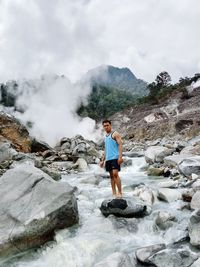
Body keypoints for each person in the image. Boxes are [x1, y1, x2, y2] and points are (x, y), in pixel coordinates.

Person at [100, 119, 123, 198]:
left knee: (115, 174)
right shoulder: (106, 137)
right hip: (108, 159)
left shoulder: (115, 134)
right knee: (111, 176)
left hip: (115, 158)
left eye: (107, 125)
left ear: (110, 125)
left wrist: (120, 157)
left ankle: (120, 192)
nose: (106, 127)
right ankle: (114, 193)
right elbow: (106, 149)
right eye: (104, 126)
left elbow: (120, 144)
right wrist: (103, 160)